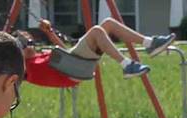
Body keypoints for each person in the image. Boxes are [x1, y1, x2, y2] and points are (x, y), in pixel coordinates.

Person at [22, 18, 176, 87]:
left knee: (107, 24)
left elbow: (65, 53)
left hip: (75, 64)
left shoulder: (39, 56)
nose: (30, 46)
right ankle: (127, 65)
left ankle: (150, 43)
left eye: (31, 42)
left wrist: (49, 33)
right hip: (73, 70)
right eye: (25, 44)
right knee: (96, 31)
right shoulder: (24, 68)